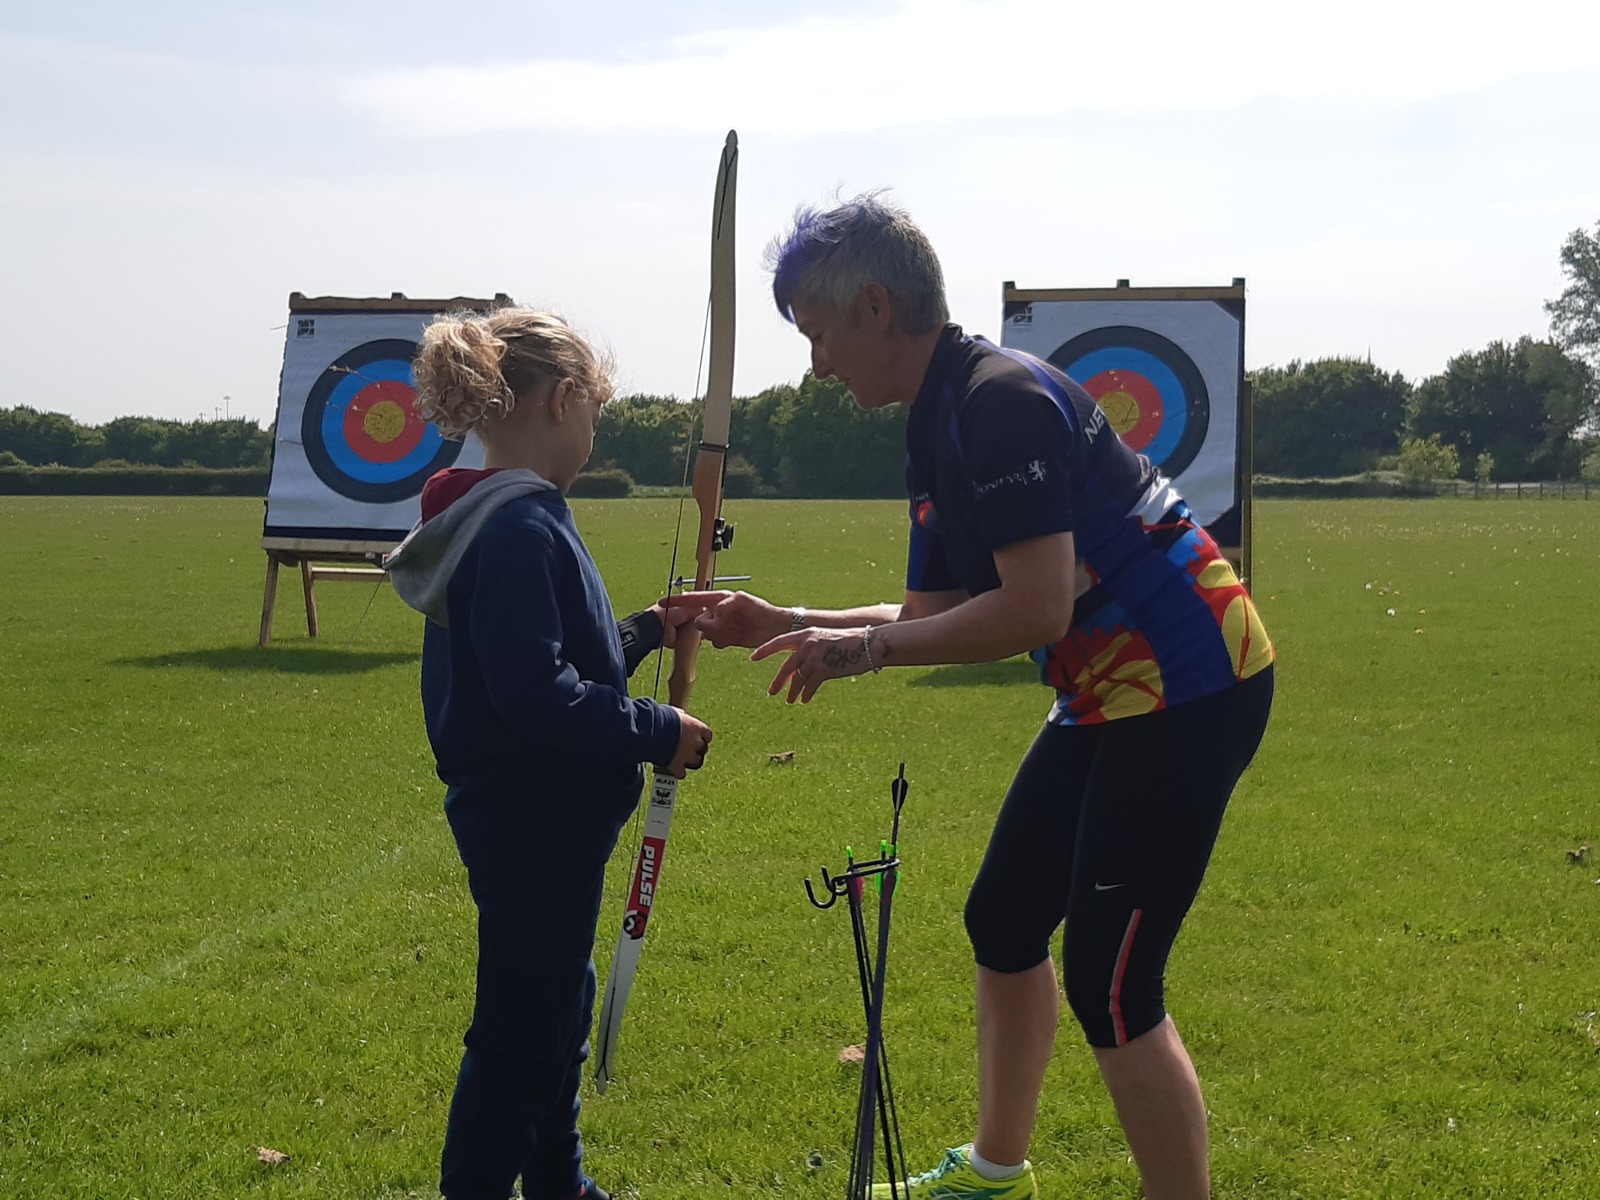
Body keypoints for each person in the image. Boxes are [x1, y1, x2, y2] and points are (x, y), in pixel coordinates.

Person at [676, 196, 1274, 1200]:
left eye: (818, 336)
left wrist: (861, 650)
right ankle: (997, 1172)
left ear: (876, 306)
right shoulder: (938, 416)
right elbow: (938, 608)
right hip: (1106, 695)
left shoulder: (999, 402)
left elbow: (1032, 611)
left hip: (1188, 689)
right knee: (1003, 922)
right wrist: (785, 619)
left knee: (1113, 986)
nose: (817, 366)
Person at [384, 306, 713, 1200]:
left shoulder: (501, 515)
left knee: (555, 1004)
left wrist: (649, 627)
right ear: (563, 397)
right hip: (533, 821)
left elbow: (563, 654)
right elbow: (538, 694)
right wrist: (658, 730)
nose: (594, 434)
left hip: (533, 816)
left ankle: (560, 1185)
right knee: (519, 1032)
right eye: (595, 413)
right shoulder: (519, 528)